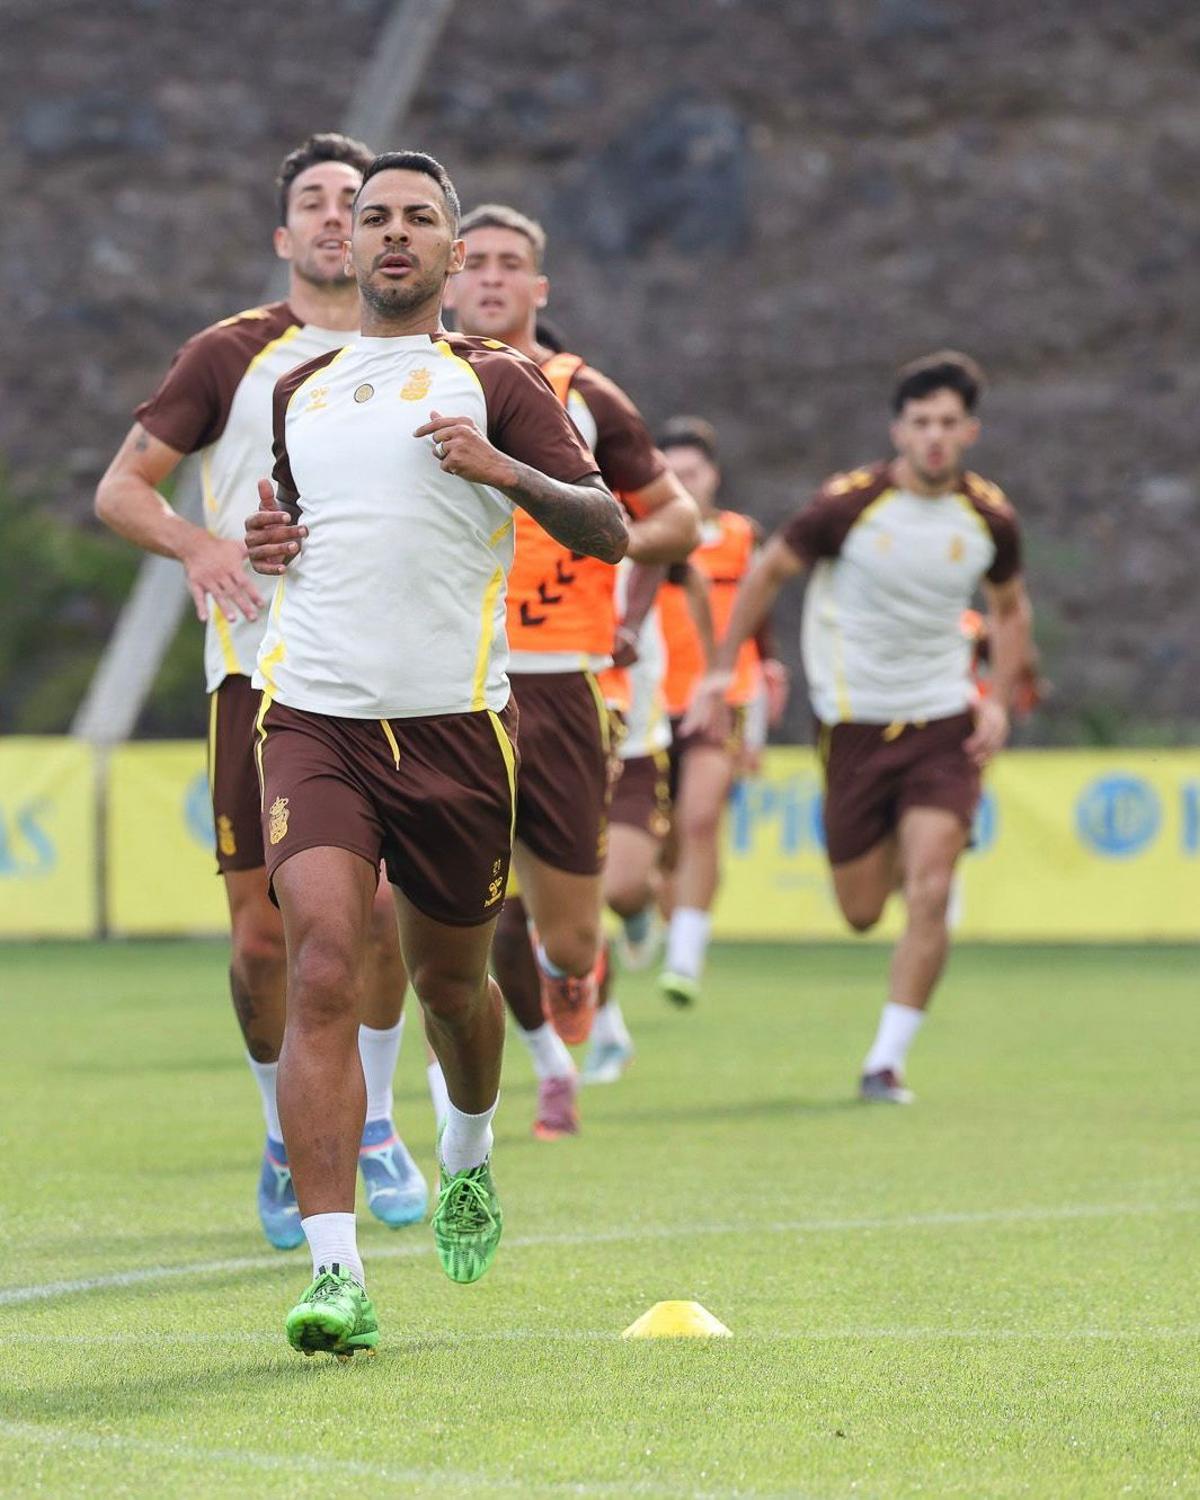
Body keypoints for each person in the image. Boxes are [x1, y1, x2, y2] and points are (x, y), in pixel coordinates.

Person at [242, 151, 627, 1356]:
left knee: (456, 993)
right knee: (322, 970)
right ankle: (335, 1271)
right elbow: (307, 535)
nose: (394, 235)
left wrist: (501, 470)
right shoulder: (297, 390)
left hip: (458, 734)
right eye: (375, 218)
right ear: (346, 248)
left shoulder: (498, 380)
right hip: (311, 719)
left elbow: (608, 525)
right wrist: (271, 541)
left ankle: (467, 1149)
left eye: (420, 220)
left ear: (457, 256)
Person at [93, 134, 426, 1248]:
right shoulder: (230, 354)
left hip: (390, 679)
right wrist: (195, 544)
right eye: (319, 204)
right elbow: (121, 487)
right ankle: (283, 1143)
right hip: (257, 672)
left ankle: (375, 1121)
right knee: (260, 945)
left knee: (379, 915)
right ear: (287, 237)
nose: (342, 218)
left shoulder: (436, 357)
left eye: (358, 202)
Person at [687, 352, 1034, 1102]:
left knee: (933, 886)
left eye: (948, 423)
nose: (935, 437)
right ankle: (913, 890)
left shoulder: (989, 518)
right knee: (861, 910)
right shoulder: (847, 506)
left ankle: (886, 1061)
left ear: (969, 431)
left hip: (945, 719)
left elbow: (1009, 609)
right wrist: (723, 667)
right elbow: (767, 573)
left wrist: (998, 699)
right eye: (921, 423)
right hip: (853, 727)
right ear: (897, 430)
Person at [440, 204, 699, 1138]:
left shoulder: (585, 394)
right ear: (447, 275)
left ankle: (572, 980)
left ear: (539, 290)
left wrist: (598, 535)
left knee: (570, 934)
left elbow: (678, 522)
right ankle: (537, 1071)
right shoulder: (405, 383)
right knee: (455, 916)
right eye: (478, 263)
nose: (494, 279)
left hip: (562, 679)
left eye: (515, 264)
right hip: (444, 682)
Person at [654, 418, 788, 1008]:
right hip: (649, 706)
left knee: (701, 820)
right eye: (671, 473)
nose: (682, 483)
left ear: (713, 476)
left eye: (692, 472)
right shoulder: (648, 536)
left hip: (719, 699)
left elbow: (760, 624)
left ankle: (686, 956)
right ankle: (663, 923)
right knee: (660, 847)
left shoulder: (740, 537)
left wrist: (762, 699)